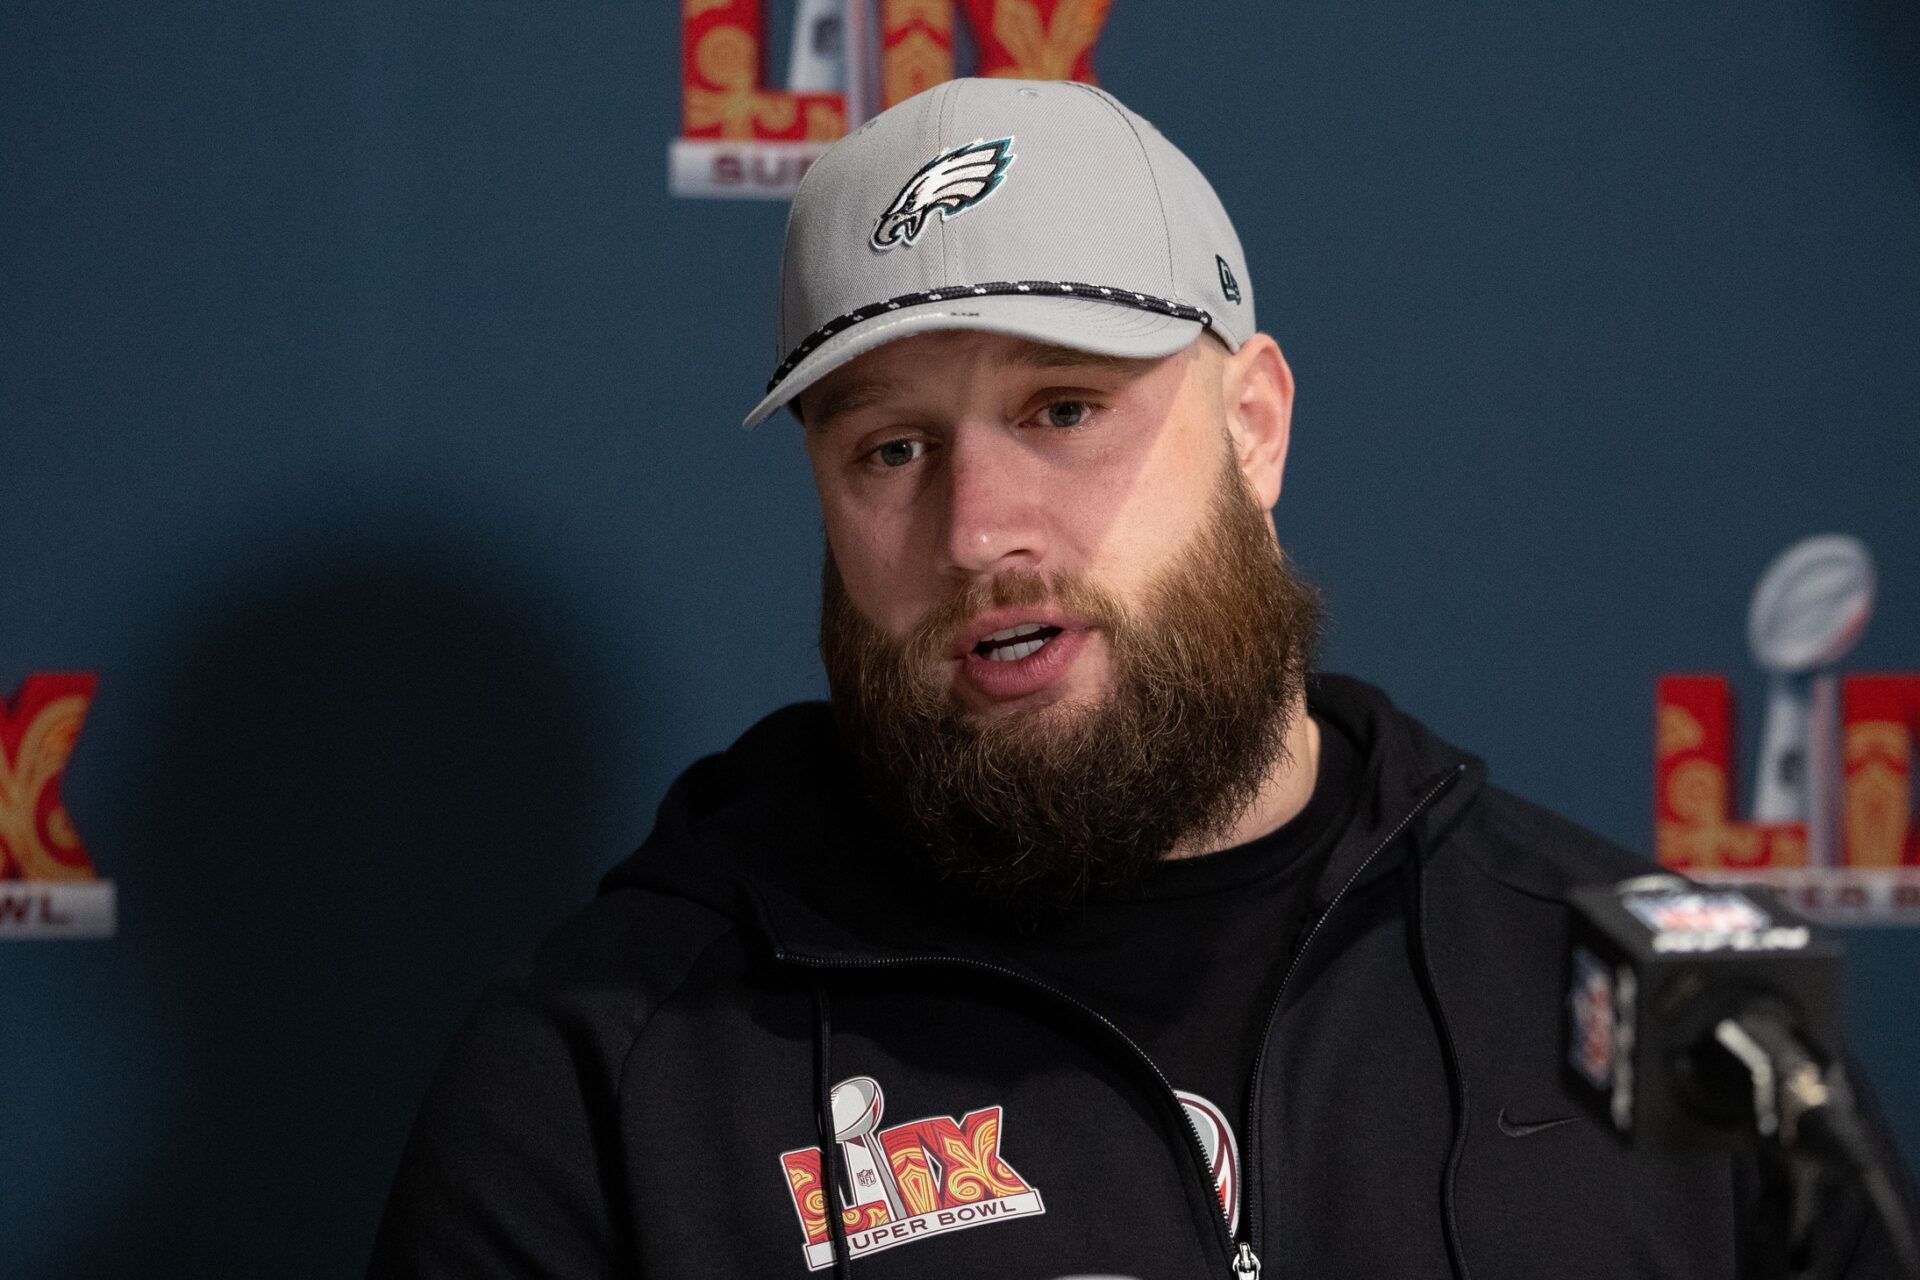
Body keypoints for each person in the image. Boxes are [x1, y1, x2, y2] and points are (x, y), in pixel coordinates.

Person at [370, 78, 1912, 1279]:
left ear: (1255, 427)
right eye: (890, 449)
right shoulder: (607, 1072)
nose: (977, 530)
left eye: (1064, 409)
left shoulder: (1668, 993)